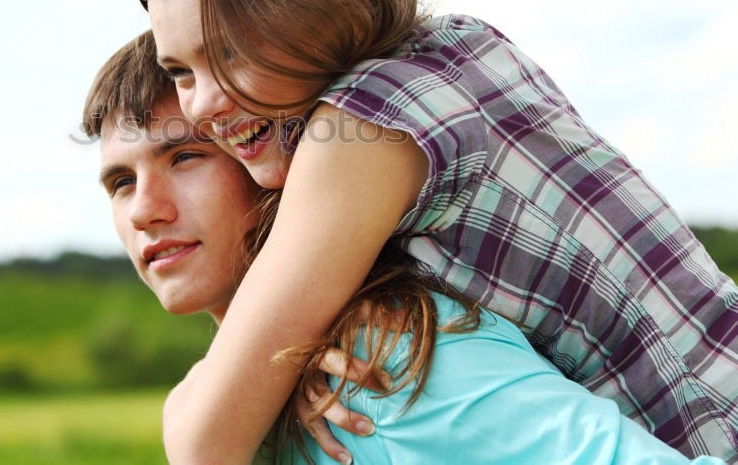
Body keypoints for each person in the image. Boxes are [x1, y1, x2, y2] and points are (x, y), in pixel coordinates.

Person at [136, 0, 738, 463]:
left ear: (345, 8)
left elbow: (204, 445)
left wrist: (253, 376)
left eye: (234, 50)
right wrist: (294, 348)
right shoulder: (462, 44)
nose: (206, 103)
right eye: (181, 71)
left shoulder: (358, 127)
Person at [82, 30, 726, 464]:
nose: (144, 210)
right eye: (120, 182)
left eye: (187, 156)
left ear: (277, 168)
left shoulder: (386, 357)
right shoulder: (249, 391)